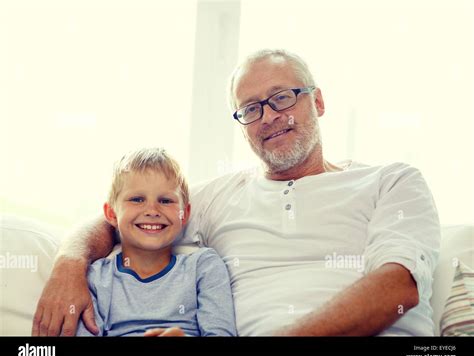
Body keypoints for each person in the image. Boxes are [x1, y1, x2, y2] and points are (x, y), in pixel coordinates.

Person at [32, 49, 440, 337]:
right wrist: (69, 266)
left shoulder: (392, 180)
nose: (269, 117)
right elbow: (124, 217)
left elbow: (398, 285)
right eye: (250, 109)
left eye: (282, 97)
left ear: (317, 100)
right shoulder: (218, 198)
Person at [75, 147, 236, 336]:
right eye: (137, 199)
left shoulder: (204, 267)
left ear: (185, 214)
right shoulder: (97, 278)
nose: (152, 210)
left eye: (166, 201)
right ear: (111, 213)